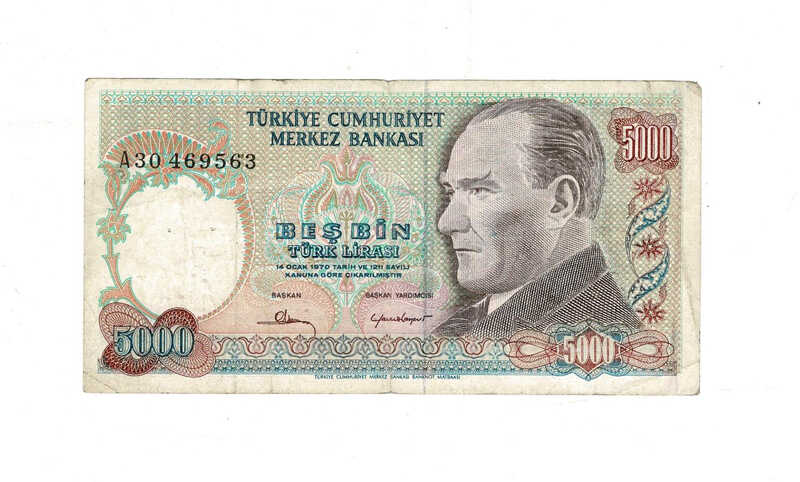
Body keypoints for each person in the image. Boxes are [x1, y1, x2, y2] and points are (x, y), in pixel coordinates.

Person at [434, 98, 641, 339]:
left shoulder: (598, 333)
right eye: (451, 192)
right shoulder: (465, 326)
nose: (446, 223)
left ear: (560, 204)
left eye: (479, 190)